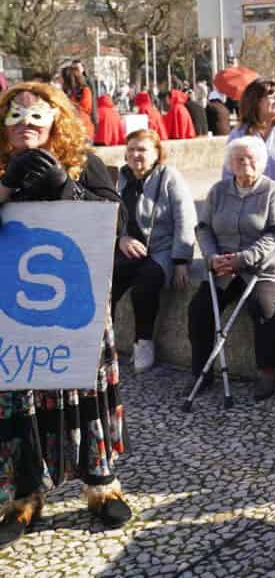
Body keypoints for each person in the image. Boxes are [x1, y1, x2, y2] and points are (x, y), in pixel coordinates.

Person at [0, 83, 132, 546]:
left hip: (76, 308)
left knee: (85, 395)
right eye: (14, 116)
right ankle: (21, 498)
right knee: (17, 405)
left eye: (35, 116)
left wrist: (65, 187)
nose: (24, 124)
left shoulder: (85, 163)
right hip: (9, 315)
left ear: (56, 119)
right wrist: (5, 187)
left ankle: (101, 484)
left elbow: (116, 222)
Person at [190, 136, 275, 402]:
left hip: (263, 266)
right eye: (239, 159)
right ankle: (201, 372)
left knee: (262, 305)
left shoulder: (273, 190)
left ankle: (268, 370)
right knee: (199, 309)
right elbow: (203, 228)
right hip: (223, 265)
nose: (246, 163)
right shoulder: (218, 191)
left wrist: (244, 259)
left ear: (261, 162)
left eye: (251, 158)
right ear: (230, 164)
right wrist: (212, 257)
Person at [115, 129, 196, 373]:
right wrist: (121, 239)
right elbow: (111, 217)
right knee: (106, 283)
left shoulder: (169, 177)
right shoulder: (122, 178)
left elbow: (185, 218)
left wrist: (181, 260)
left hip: (162, 248)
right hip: (130, 248)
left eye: (142, 150)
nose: (136, 155)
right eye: (131, 150)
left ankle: (143, 342)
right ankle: (101, 343)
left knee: (145, 286)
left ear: (156, 153)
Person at [61, 64, 96, 137]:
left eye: (63, 78)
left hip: (82, 129)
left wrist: (69, 106)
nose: (61, 80)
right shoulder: (65, 92)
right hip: (69, 129)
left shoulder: (84, 91)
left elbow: (85, 108)